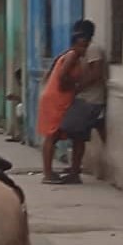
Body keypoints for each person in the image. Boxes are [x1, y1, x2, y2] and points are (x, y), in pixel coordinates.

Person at [37, 31, 90, 184]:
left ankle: (53, 172)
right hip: (57, 98)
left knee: (56, 134)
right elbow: (62, 76)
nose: (83, 49)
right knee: (52, 135)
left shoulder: (70, 55)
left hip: (58, 98)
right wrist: (75, 85)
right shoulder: (72, 55)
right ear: (74, 45)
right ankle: (48, 173)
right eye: (81, 45)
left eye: (85, 46)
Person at [60, 19, 108, 182]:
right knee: (76, 134)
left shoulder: (92, 49)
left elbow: (96, 73)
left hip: (90, 99)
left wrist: (78, 86)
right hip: (85, 99)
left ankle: (75, 172)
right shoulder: (84, 49)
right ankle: (75, 169)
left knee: (76, 133)